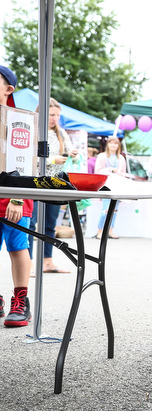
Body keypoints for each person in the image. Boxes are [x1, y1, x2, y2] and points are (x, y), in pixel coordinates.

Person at [0, 64, 32, 327]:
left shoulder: (18, 118)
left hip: (14, 196)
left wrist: (17, 197)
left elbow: (23, 161)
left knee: (17, 247)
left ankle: (21, 301)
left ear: (8, 89)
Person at [39, 98, 77, 273]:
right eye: (52, 114)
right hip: (36, 183)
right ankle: (31, 263)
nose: (55, 118)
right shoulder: (35, 131)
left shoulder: (61, 133)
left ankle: (48, 261)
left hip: (55, 184)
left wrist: (73, 154)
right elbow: (31, 156)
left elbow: (71, 153)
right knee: (32, 225)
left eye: (58, 115)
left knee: (50, 225)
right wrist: (52, 159)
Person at [94, 136, 127, 239]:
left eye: (116, 143)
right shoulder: (101, 156)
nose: (114, 145)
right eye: (111, 143)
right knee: (106, 210)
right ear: (107, 144)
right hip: (106, 185)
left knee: (114, 209)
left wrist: (119, 174)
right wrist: (111, 170)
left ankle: (110, 231)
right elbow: (98, 171)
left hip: (117, 185)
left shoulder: (121, 158)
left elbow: (123, 173)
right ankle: (100, 231)